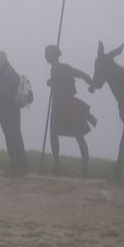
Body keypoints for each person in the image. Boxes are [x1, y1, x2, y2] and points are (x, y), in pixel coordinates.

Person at [45, 45, 96, 176]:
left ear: (53, 55)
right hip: (57, 107)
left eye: (47, 54)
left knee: (79, 135)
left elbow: (83, 75)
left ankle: (85, 168)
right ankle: (57, 165)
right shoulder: (53, 69)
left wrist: (92, 85)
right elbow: (58, 82)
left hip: (68, 107)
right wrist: (51, 82)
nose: (45, 56)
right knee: (54, 134)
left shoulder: (65, 68)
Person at [0, 50, 28, 176]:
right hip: (8, 109)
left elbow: (2, 92)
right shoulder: (5, 72)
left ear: (3, 59)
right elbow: (2, 91)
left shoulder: (7, 73)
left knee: (12, 137)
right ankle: (19, 166)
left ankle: (17, 166)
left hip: (9, 110)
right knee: (13, 136)